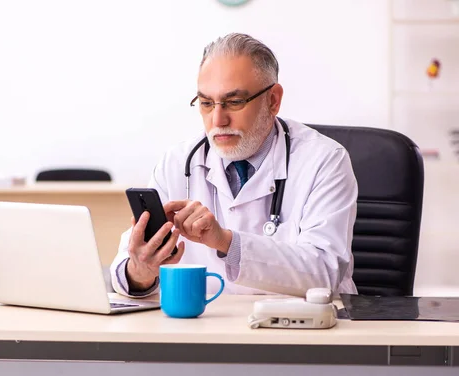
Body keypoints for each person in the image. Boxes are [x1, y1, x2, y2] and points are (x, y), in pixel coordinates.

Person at [110, 33, 359, 298]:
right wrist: (140, 271)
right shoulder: (177, 162)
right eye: (206, 103)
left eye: (235, 102)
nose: (218, 119)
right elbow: (125, 271)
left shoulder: (324, 160)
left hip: (299, 330)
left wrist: (226, 243)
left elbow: (325, 271)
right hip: (203, 330)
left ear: (273, 100)